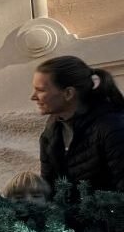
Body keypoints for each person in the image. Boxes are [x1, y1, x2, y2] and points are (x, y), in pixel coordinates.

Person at [33, 55, 124, 193]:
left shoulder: (113, 127)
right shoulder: (51, 130)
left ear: (68, 93)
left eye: (40, 90)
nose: (33, 96)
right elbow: (49, 190)